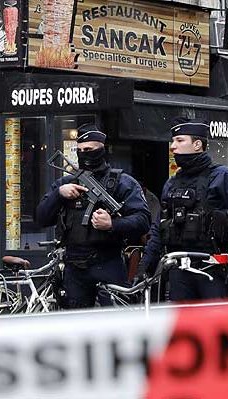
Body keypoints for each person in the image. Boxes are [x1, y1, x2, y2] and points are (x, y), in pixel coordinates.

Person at [138, 117, 228, 301]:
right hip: (179, 273)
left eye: (179, 140)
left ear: (197, 144)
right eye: (173, 141)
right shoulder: (172, 183)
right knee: (183, 328)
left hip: (212, 270)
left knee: (215, 327)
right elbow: (159, 227)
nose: (173, 147)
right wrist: (145, 265)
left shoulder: (224, 177)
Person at [36, 123, 150, 308]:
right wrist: (58, 195)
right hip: (74, 266)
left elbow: (143, 221)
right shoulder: (66, 183)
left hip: (108, 262)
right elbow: (41, 218)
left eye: (88, 149)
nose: (83, 154)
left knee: (117, 322)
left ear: (101, 149)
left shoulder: (123, 183)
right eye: (79, 150)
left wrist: (112, 224)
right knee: (75, 326)